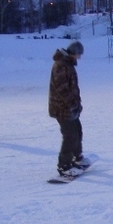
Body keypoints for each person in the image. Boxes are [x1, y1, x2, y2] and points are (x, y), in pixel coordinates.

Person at [48, 41, 88, 178]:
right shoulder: (61, 65)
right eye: (79, 54)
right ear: (73, 53)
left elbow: (72, 87)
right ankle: (64, 166)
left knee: (77, 131)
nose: (80, 57)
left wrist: (77, 104)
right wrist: (72, 104)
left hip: (70, 107)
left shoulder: (67, 64)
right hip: (62, 108)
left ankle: (76, 157)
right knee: (70, 135)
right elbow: (62, 89)